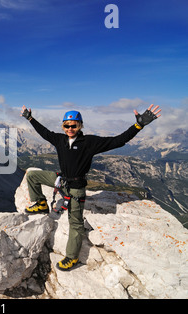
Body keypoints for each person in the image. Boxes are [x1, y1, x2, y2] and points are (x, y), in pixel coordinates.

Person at [21, 104, 162, 271]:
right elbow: (44, 132)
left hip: (75, 188)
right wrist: (30, 118)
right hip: (61, 180)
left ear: (80, 125)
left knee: (75, 223)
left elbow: (118, 140)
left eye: (74, 125)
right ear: (63, 126)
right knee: (32, 175)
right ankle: (40, 203)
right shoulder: (60, 139)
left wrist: (138, 125)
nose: (70, 129)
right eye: (67, 125)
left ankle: (72, 257)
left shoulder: (89, 142)